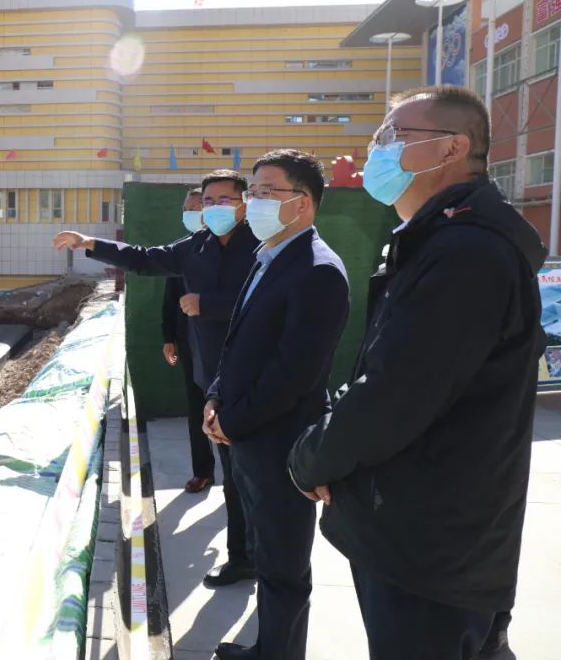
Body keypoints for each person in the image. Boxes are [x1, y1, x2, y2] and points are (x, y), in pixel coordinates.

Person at [288, 86, 545, 660]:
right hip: (425, 532)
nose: (378, 148)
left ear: (452, 148)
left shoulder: (465, 253)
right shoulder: (439, 241)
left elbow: (394, 394)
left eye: (395, 135)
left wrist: (312, 459)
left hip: (430, 548)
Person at [52, 170, 257, 584]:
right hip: (212, 375)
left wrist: (208, 304)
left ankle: (256, 555)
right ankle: (244, 555)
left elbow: (266, 301)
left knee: (249, 475)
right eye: (209, 200)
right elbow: (145, 259)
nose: (214, 208)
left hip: (250, 374)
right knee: (233, 471)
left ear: (244, 203)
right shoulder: (197, 245)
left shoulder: (261, 247)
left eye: (225, 200)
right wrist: (90, 243)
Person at [203, 149, 350, 660]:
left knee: (284, 568)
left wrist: (232, 421)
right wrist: (215, 397)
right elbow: (237, 343)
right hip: (246, 435)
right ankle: (268, 648)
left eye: (268, 191)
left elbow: (294, 374)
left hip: (279, 444)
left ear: (302, 203)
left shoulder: (318, 271)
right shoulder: (268, 256)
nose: (255, 201)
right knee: (267, 558)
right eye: (254, 191)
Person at [162, 273, 216, 493]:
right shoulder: (182, 258)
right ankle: (202, 472)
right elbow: (170, 299)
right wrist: (168, 338)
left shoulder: (235, 257)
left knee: (230, 407)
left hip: (224, 341)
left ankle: (237, 480)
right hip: (190, 344)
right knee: (196, 407)